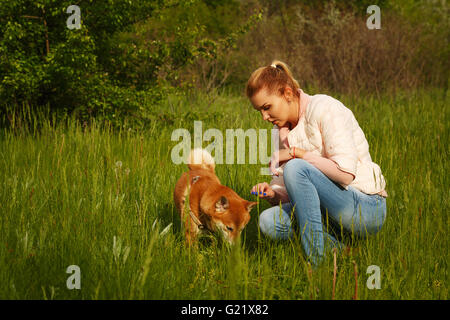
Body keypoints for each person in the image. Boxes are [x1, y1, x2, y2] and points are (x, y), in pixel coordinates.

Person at [248, 60, 388, 266]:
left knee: (296, 167)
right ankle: (341, 251)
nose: (264, 117)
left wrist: (297, 154)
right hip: (327, 211)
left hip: (364, 207)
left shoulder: (325, 108)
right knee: (269, 222)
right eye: (259, 111)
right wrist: (273, 194)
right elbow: (298, 193)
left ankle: (317, 262)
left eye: (267, 107)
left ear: (287, 93)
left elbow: (345, 174)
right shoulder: (280, 131)